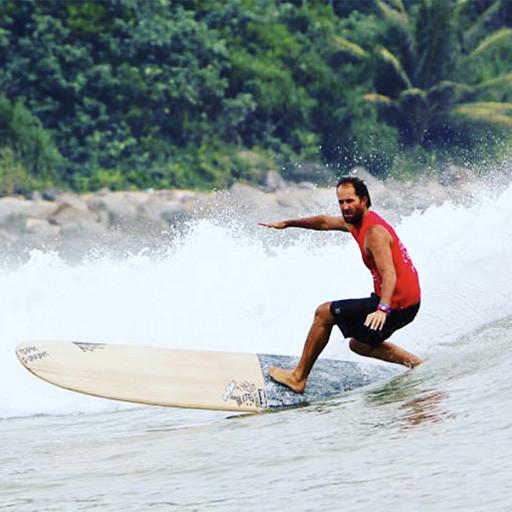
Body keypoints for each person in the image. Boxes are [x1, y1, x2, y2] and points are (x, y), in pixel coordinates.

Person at [259, 176, 423, 394]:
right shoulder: (355, 221)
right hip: (403, 301)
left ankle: (298, 378)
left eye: (350, 201)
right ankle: (416, 364)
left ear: (364, 200)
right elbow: (324, 222)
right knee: (359, 344)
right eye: (341, 202)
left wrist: (383, 309)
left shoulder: (374, 232)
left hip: (396, 304)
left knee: (324, 312)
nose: (345, 207)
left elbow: (389, 274)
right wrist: (289, 223)